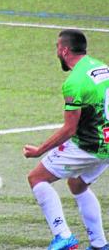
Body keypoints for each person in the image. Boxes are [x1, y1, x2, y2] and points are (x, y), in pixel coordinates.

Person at [23, 30, 109, 250]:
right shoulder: (101, 67)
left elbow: (70, 129)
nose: (57, 53)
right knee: (77, 185)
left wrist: (39, 150)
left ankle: (63, 235)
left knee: (37, 178)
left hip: (89, 145)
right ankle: (100, 244)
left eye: (57, 48)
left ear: (64, 50)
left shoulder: (73, 82)